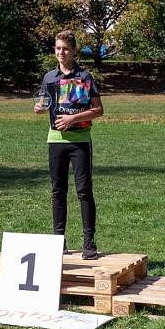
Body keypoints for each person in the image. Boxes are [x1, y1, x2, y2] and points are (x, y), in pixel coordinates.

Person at [34, 30, 104, 259]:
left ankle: (89, 241)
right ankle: (58, 241)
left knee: (84, 191)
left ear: (74, 51)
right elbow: (44, 102)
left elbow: (98, 109)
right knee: (58, 191)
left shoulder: (85, 77)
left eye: (65, 48)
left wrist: (74, 118)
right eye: (57, 48)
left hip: (80, 141)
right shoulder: (49, 77)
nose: (61, 52)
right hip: (56, 141)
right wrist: (40, 108)